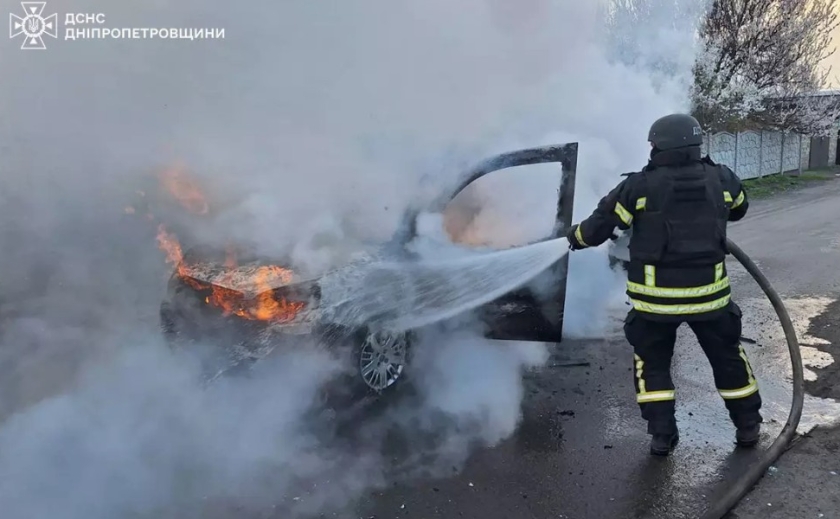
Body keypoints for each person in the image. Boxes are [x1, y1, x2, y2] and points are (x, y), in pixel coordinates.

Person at [565, 113, 762, 456]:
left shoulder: (638, 186)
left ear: (659, 146)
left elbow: (598, 227)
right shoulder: (721, 178)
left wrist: (574, 237)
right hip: (710, 299)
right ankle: (748, 428)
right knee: (728, 359)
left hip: (654, 304)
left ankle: (662, 436)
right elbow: (739, 209)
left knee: (652, 366)